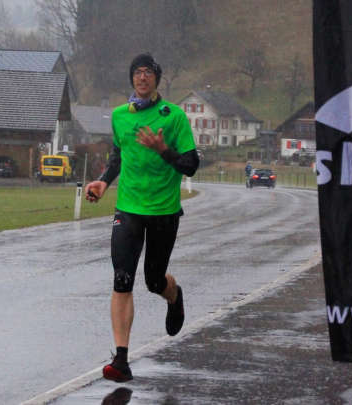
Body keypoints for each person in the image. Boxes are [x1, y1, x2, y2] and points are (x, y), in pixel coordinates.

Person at [85, 53, 200, 383]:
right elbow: (118, 156)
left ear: (157, 79)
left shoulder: (174, 117)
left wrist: (163, 150)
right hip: (129, 209)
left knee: (153, 281)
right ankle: (121, 359)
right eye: (137, 72)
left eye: (148, 72)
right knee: (122, 278)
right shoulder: (120, 116)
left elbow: (190, 165)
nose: (142, 77)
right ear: (132, 79)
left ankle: (173, 294)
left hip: (163, 211)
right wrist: (103, 183)